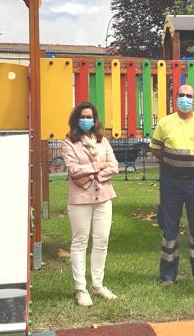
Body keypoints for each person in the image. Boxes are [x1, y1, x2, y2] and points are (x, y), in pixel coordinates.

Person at [149, 84, 194, 288]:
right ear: (175, 98)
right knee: (169, 229)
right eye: (181, 95)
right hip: (171, 182)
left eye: (189, 96)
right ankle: (167, 276)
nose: (184, 99)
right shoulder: (164, 123)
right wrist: (174, 164)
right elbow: (156, 150)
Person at [61, 102, 119, 307]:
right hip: (80, 200)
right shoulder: (68, 143)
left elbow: (114, 166)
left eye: (90, 117)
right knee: (80, 242)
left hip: (103, 196)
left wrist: (92, 174)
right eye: (83, 117)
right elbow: (73, 170)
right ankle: (81, 289)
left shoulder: (102, 141)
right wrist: (96, 166)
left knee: (102, 240)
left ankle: (98, 285)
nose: (87, 120)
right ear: (76, 119)